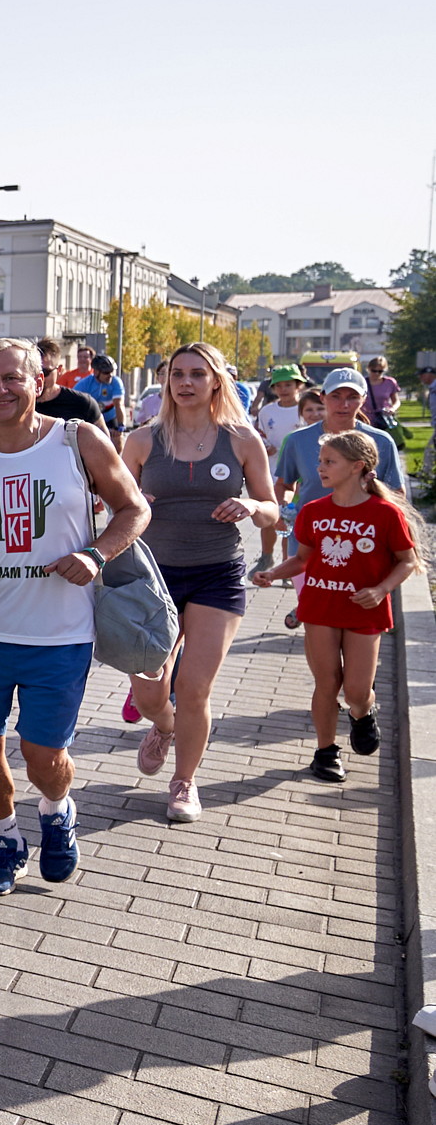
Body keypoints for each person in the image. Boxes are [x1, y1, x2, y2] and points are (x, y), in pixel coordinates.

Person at [0, 339, 149, 895]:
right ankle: (7, 839)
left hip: (60, 635)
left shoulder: (77, 440)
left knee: (44, 756)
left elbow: (134, 508)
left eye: (13, 378)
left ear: (39, 383)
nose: (0, 390)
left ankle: (57, 808)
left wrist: (97, 555)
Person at [121, 342, 279, 822]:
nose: (185, 382)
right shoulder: (142, 440)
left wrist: (251, 506)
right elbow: (115, 503)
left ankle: (184, 783)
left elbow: (272, 510)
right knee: (150, 694)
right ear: (167, 381)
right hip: (152, 578)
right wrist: (136, 502)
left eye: (196, 374)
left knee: (194, 688)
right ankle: (164, 726)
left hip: (218, 574)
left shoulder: (242, 439)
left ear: (216, 382)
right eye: (177, 374)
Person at [253, 430, 424, 782]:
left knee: (356, 691)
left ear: (357, 467)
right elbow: (303, 559)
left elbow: (407, 561)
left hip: (365, 611)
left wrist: (381, 589)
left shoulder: (385, 513)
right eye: (320, 461)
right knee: (327, 683)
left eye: (329, 462)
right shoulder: (314, 511)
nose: (320, 468)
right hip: (320, 607)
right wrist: (272, 573)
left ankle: (362, 714)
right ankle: (326, 752)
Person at [273, 368, 404, 628]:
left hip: (362, 545)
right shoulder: (298, 441)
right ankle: (306, 611)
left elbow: (397, 496)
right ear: (322, 397)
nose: (344, 404)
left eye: (352, 397)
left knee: (350, 620)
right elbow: (284, 484)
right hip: (309, 545)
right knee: (318, 622)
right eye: (336, 396)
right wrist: (283, 509)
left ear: (363, 399)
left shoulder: (381, 442)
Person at [251, 366, 305, 576]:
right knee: (270, 515)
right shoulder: (267, 411)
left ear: (298, 386)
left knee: (290, 520)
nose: (283, 389)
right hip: (273, 470)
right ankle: (266, 557)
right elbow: (258, 433)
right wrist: (265, 445)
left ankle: (286, 566)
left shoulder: (306, 408)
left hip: (298, 473)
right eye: (279, 386)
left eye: (288, 385)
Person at [33, 339, 103, 427]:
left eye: (45, 372)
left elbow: (103, 434)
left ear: (59, 370)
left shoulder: (83, 404)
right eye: (33, 372)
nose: (38, 378)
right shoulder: (19, 403)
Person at [75, 354, 126, 448]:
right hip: (92, 418)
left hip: (110, 418)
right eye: (106, 372)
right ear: (96, 372)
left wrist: (121, 426)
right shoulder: (84, 384)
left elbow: (119, 404)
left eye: (112, 371)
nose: (110, 375)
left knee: (117, 442)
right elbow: (75, 404)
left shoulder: (116, 382)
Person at [361, 358, 400, 428]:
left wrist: (393, 409)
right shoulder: (362, 382)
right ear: (368, 369)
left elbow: (396, 401)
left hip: (384, 418)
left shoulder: (390, 382)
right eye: (374, 371)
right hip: (365, 418)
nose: (377, 373)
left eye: (380, 371)